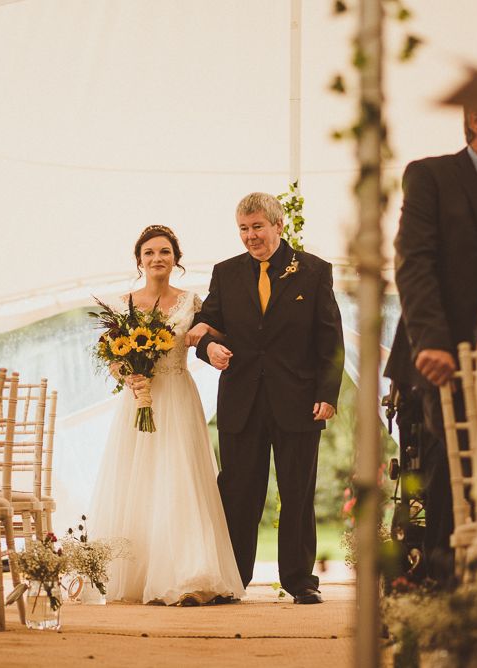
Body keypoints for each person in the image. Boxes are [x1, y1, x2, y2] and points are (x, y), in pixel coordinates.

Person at [186, 192, 344, 604]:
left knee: (296, 493)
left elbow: (331, 339)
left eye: (257, 226)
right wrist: (207, 350)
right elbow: (206, 323)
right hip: (241, 401)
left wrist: (328, 393)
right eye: (243, 228)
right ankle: (231, 580)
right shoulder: (226, 272)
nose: (250, 236)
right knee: (238, 493)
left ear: (278, 225)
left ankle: (300, 580)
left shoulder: (313, 271)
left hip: (298, 401)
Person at [89, 225, 245, 606]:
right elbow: (109, 354)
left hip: (177, 396)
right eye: (149, 253)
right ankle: (138, 572)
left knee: (181, 479)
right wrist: (130, 377)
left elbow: (213, 334)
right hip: (139, 399)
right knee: (139, 480)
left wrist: (206, 331)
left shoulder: (192, 301)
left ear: (176, 258)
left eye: (164, 252)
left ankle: (189, 573)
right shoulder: (123, 303)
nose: (157, 258)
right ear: (139, 260)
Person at [385, 99, 477, 583]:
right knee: (449, 472)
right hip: (444, 356)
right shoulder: (432, 176)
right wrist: (431, 342)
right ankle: (447, 586)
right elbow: (415, 261)